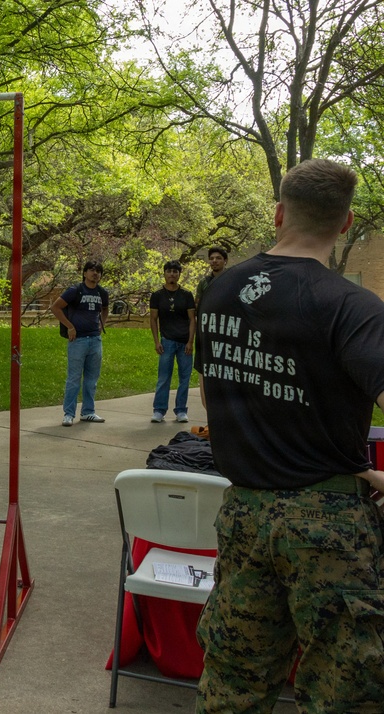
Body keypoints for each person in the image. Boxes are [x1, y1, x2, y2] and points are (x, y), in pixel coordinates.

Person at [194, 158, 384, 713]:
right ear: (345, 224)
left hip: (245, 515)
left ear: (279, 214)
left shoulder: (222, 288)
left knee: (233, 684)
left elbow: (215, 392)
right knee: (342, 690)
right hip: (329, 530)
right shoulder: (353, 306)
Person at [51, 260, 109, 427]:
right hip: (78, 341)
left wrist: (101, 324)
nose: (95, 273)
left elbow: (105, 309)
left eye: (98, 271)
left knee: (92, 379)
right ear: (84, 273)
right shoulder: (75, 291)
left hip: (95, 340)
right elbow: (56, 307)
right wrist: (70, 326)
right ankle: (69, 414)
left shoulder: (102, 293)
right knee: (74, 378)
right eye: (91, 270)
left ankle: (88, 412)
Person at [149, 260, 196, 423]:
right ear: (164, 273)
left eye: (175, 271)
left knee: (184, 377)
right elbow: (153, 320)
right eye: (169, 271)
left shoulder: (186, 295)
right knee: (164, 377)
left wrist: (190, 341)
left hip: (184, 343)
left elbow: (192, 320)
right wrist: (157, 341)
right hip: (166, 341)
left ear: (179, 274)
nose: (172, 274)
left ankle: (181, 410)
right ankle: (159, 410)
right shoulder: (157, 295)